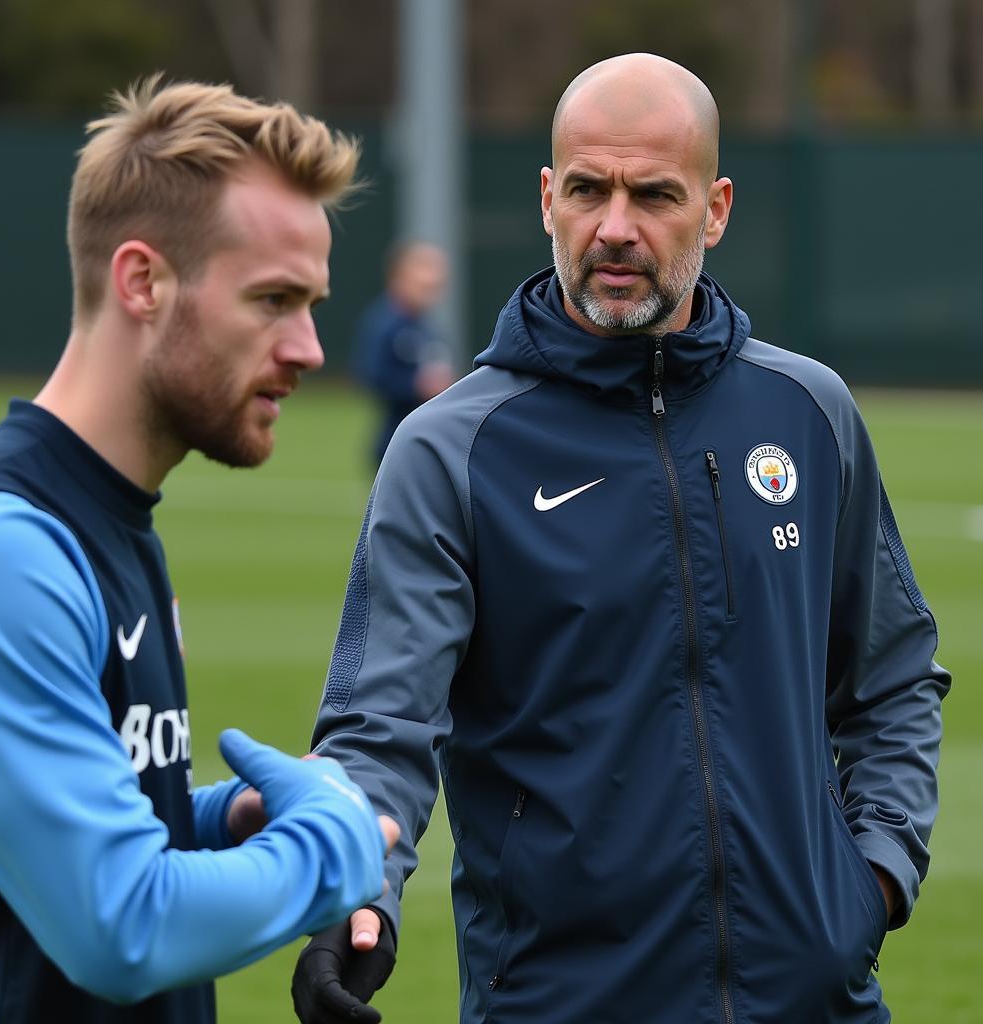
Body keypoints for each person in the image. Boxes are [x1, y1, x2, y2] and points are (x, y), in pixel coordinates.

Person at [291, 54, 950, 1024]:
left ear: (714, 209)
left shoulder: (808, 412)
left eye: (654, 195)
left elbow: (891, 677)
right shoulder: (452, 450)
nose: (615, 227)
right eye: (590, 190)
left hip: (816, 1001)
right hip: (564, 1003)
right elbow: (380, 727)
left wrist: (874, 876)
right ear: (549, 199)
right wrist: (359, 897)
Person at [0, 75, 401, 1023]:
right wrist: (332, 844)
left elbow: (44, 840)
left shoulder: (115, 523)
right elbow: (121, 925)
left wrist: (221, 822)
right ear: (142, 280)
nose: (310, 348)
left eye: (313, 302)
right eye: (273, 299)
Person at [352, 240, 454, 464]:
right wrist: (417, 385)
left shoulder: (426, 325)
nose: (433, 279)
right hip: (395, 439)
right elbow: (372, 374)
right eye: (424, 269)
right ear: (399, 276)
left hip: (430, 437)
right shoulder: (385, 322)